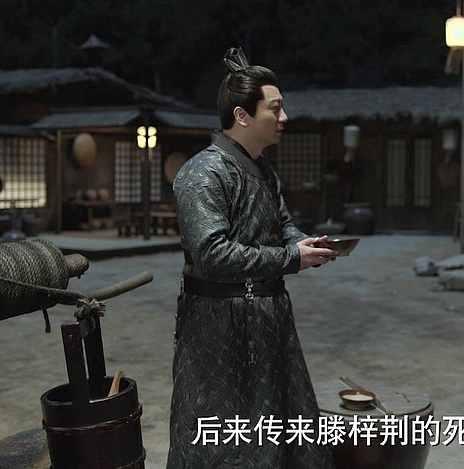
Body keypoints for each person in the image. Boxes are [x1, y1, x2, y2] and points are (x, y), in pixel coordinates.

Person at [167, 47, 337, 468]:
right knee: (221, 431)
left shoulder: (264, 170)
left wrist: (307, 245)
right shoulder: (203, 173)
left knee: (278, 422)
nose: (284, 117)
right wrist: (290, 257)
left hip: (269, 315)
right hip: (218, 322)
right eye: (274, 109)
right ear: (242, 116)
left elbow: (283, 226)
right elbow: (212, 255)